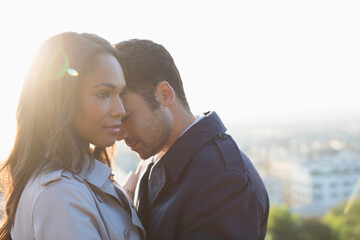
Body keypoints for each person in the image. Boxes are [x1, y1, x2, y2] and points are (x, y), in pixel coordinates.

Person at [115, 39, 270, 240]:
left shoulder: (225, 180)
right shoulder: (151, 162)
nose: (119, 135)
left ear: (164, 94)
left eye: (126, 118)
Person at [0, 32, 144, 240]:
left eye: (120, 95)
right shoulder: (60, 195)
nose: (120, 110)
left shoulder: (77, 182)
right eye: (104, 94)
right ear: (61, 101)